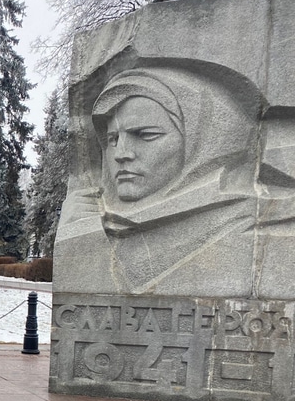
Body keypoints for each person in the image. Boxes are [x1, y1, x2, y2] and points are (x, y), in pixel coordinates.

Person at [56, 66, 259, 297]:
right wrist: (76, 229)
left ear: (197, 142)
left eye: (145, 135)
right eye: (113, 139)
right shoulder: (93, 217)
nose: (121, 154)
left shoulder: (241, 221)